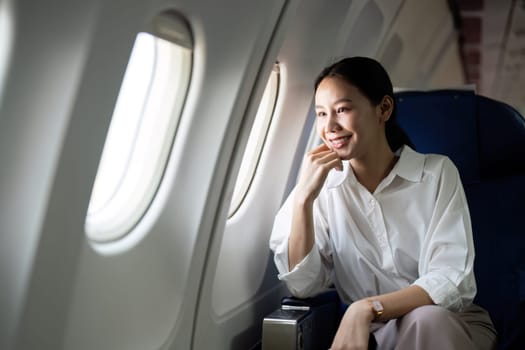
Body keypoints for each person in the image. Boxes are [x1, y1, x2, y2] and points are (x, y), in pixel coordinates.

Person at [269, 57, 497, 349]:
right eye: (322, 114)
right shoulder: (322, 187)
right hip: (376, 333)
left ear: (384, 109)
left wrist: (365, 308)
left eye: (342, 109)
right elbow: (303, 284)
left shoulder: (436, 173)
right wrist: (303, 198)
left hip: (452, 322)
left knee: (427, 320)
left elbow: (451, 278)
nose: (330, 126)